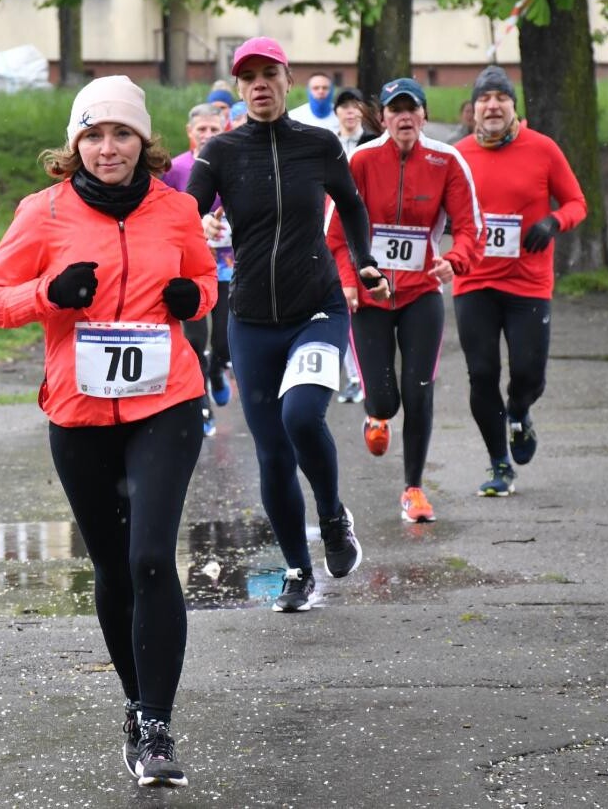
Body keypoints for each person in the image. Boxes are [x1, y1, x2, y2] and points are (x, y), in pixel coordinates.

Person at [0, 75, 217, 788]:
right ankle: (136, 708)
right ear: (75, 145)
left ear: (144, 143)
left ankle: (159, 726)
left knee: (148, 558)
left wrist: (191, 296)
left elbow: (205, 281)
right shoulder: (41, 212)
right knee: (112, 567)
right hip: (78, 414)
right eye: (94, 135)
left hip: (166, 403)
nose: (109, 148)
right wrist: (48, 294)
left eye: (122, 134)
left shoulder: (178, 208)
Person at [187, 37, 389, 613]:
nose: (259, 85)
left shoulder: (319, 144)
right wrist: (183, 234)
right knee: (272, 451)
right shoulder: (222, 151)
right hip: (251, 320)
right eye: (247, 76)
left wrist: (365, 258)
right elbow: (187, 208)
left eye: (269, 74)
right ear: (239, 87)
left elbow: (350, 204)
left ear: (287, 79)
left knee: (302, 414)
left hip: (318, 308)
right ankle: (298, 572)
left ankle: (332, 515)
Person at [326, 77, 484, 525]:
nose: (405, 118)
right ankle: (375, 415)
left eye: (412, 109)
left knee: (419, 391)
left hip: (420, 292)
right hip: (371, 294)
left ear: (425, 115)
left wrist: (454, 258)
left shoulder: (446, 160)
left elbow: (471, 227)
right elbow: (335, 234)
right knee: (385, 398)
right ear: (384, 118)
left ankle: (414, 489)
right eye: (396, 110)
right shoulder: (359, 159)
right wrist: (349, 280)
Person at [452, 65, 587, 496]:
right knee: (481, 373)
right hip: (474, 283)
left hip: (528, 282)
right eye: (484, 100)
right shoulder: (457, 156)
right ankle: (498, 464)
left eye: (501, 98)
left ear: (514, 107)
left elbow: (577, 202)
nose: (492, 106)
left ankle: (519, 411)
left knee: (528, 374)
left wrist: (553, 221)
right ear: (472, 110)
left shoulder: (542, 149)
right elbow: (432, 210)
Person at [162, 103, 233, 434]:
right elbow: (161, 215)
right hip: (188, 265)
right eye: (201, 129)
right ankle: (202, 402)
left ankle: (218, 368)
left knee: (222, 340)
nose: (207, 135)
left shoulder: (237, 163)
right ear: (189, 132)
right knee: (193, 339)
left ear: (225, 130)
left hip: (229, 264)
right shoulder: (176, 169)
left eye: (214, 130)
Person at [331, 86, 383, 404]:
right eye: (344, 107)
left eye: (355, 107)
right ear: (336, 113)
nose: (350, 112)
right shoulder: (327, 143)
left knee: (365, 299)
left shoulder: (372, 144)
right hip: (332, 226)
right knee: (345, 300)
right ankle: (354, 376)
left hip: (370, 226)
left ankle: (374, 373)